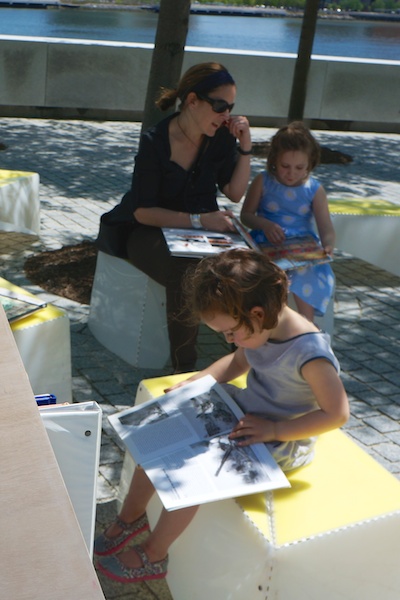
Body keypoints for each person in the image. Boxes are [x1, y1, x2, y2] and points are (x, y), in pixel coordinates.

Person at [94, 248, 349, 584]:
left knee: (194, 478)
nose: (229, 340)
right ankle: (132, 517)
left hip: (280, 438)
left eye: (231, 333)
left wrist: (274, 428)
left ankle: (155, 554)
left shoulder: (309, 353)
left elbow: (337, 413)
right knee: (157, 440)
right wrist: (195, 383)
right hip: (245, 413)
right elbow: (237, 363)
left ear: (256, 312)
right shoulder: (260, 326)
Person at [95, 62, 252, 373]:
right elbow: (143, 211)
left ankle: (248, 356)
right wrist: (200, 221)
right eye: (220, 106)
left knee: (244, 268)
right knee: (187, 274)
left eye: (231, 108)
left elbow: (235, 193)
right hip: (145, 232)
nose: (226, 116)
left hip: (199, 235)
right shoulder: (155, 141)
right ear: (192, 100)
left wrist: (245, 147)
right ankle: (186, 369)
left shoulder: (220, 137)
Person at [240, 121, 335, 323]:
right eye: (285, 166)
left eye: (299, 167)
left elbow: (325, 226)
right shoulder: (263, 181)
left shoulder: (314, 189)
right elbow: (246, 215)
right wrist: (264, 225)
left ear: (310, 164)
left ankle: (306, 326)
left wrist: (328, 245)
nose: (291, 173)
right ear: (274, 160)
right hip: (267, 242)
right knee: (271, 276)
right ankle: (273, 322)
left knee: (305, 272)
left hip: (301, 246)